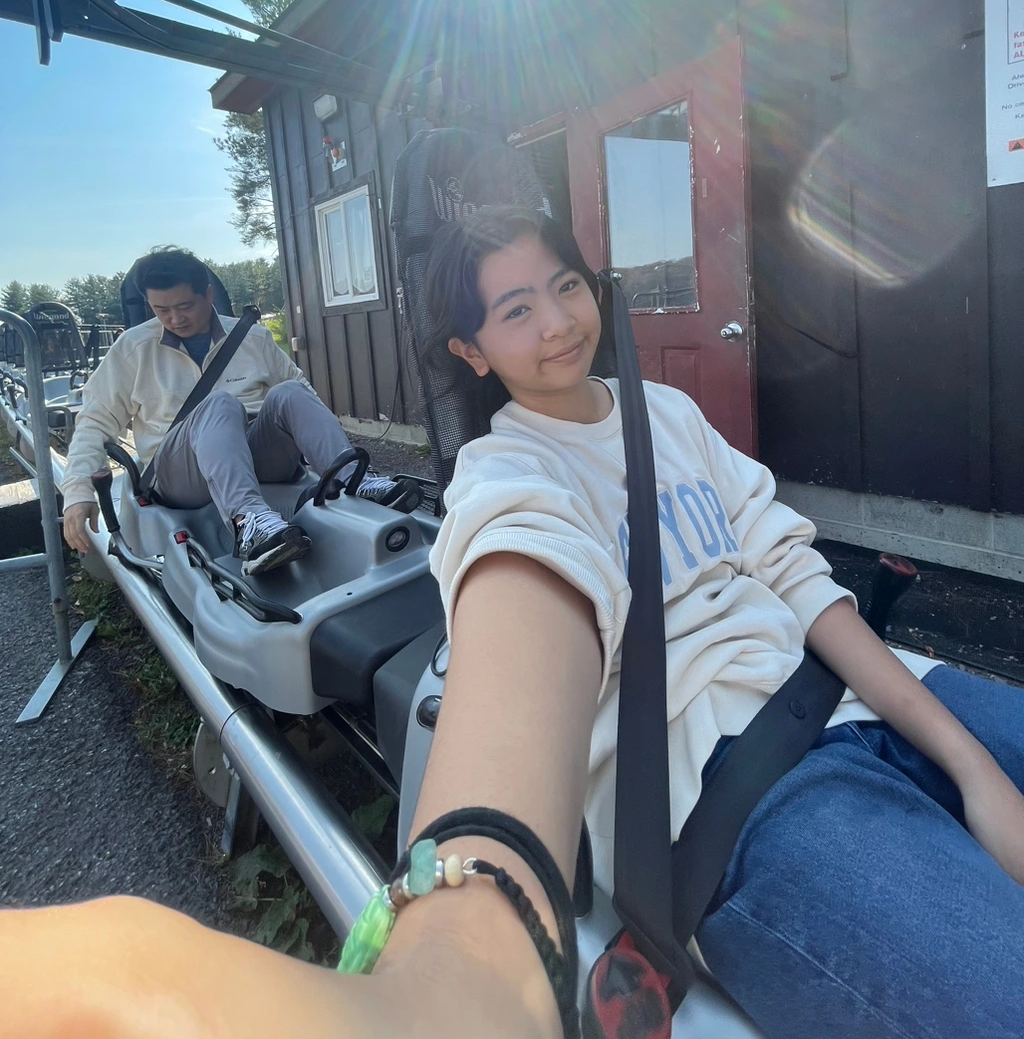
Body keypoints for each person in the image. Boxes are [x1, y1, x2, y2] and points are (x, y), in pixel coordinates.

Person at [7, 209, 1024, 1038]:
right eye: (514, 309)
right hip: (748, 788)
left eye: (566, 286)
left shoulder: (666, 414)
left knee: (274, 405)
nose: (557, 323)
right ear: (472, 349)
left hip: (857, 698)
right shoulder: (504, 483)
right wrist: (463, 983)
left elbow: (791, 570)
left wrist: (967, 759)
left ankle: (338, 484)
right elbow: (522, 626)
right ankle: (260, 523)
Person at [62, 247, 408, 575]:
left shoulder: (253, 339)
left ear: (208, 295)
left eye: (185, 306)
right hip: (181, 475)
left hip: (260, 458)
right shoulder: (132, 349)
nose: (174, 319)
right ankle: (250, 523)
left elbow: (307, 404)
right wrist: (78, 493)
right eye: (161, 310)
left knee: (291, 391)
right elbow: (94, 422)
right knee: (220, 403)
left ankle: (356, 481)